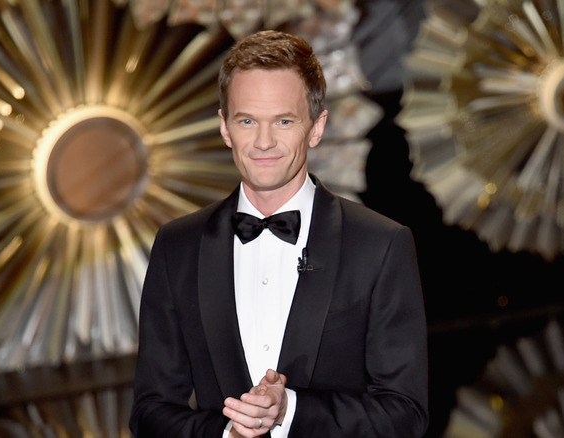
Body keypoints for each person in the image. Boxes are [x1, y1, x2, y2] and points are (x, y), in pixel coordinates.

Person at [129, 30, 428, 438]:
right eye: (247, 120)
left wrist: (290, 409)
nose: (264, 142)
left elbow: (405, 413)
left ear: (316, 127)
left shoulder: (380, 245)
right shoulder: (177, 246)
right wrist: (225, 434)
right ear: (225, 128)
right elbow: (150, 412)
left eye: (284, 121)